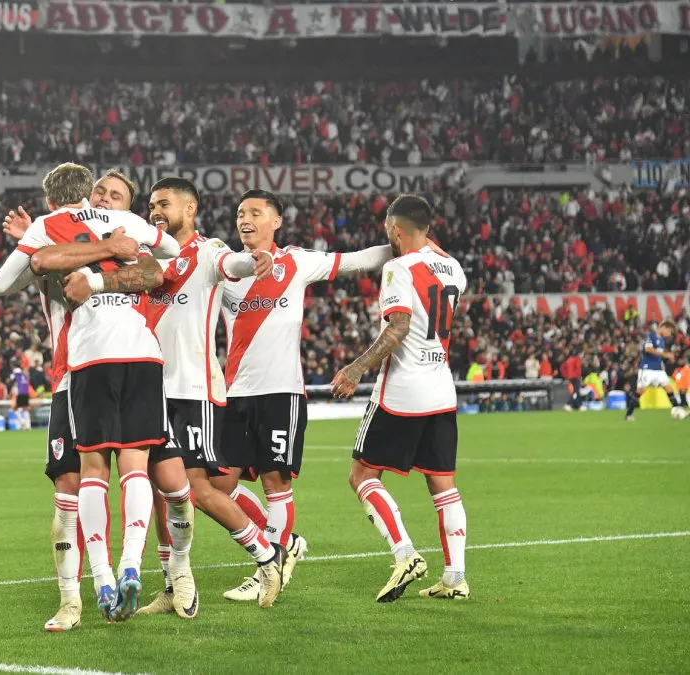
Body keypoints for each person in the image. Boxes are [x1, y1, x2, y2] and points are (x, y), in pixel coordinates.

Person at [62, 177, 289, 615]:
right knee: (158, 488)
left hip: (191, 388)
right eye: (151, 205)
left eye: (165, 204)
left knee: (194, 490)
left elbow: (233, 266)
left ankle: (266, 553)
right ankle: (175, 583)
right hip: (148, 387)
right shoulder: (143, 257)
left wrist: (252, 261)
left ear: (191, 208)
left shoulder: (208, 250)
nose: (156, 211)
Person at [0, 162, 179, 624]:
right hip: (136, 359)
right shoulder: (126, 226)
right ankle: (127, 568)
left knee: (73, 485)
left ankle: (78, 596)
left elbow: (3, 284)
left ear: (51, 199)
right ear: (88, 195)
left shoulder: (46, 227)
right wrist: (113, 247)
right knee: (133, 467)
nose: (104, 200)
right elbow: (170, 250)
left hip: (76, 370)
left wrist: (34, 245)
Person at [212, 189, 395, 602]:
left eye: (256, 212)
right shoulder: (224, 267)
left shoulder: (295, 260)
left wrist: (407, 243)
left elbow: (355, 261)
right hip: (234, 392)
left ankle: (268, 567)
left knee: (276, 483)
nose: (246, 218)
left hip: (281, 393)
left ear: (275, 221)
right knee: (215, 485)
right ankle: (283, 544)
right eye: (241, 213)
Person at [331, 194, 469, 602]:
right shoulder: (455, 269)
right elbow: (435, 253)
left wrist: (356, 367)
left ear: (395, 229)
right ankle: (455, 577)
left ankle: (404, 553)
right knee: (444, 486)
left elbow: (398, 328)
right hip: (442, 388)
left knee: (361, 475)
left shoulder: (397, 268)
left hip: (403, 391)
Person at [626, 320, 683, 420]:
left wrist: (666, 358)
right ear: (664, 327)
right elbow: (648, 349)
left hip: (658, 370)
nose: (668, 335)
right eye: (669, 332)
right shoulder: (651, 335)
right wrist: (665, 354)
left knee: (669, 388)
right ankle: (629, 414)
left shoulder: (662, 341)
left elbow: (658, 355)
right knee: (640, 391)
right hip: (647, 369)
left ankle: (678, 409)